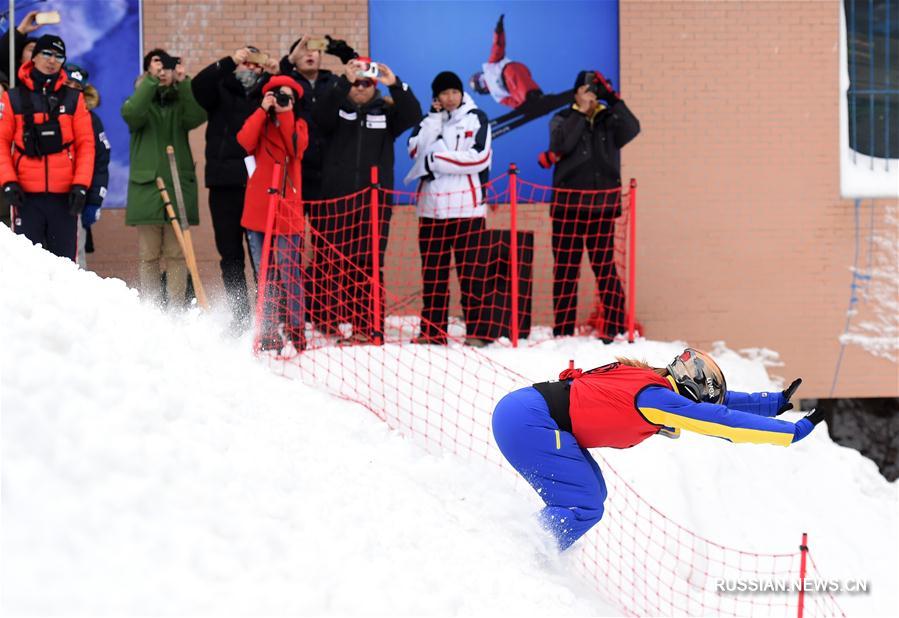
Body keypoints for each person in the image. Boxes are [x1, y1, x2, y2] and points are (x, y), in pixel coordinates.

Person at [492, 348, 822, 551]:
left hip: (525, 412)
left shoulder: (652, 381)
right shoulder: (655, 399)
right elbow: (720, 420)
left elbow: (712, 405)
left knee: (592, 495)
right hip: (531, 423)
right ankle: (522, 553)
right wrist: (791, 432)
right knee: (583, 506)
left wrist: (771, 403)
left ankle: (528, 546)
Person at [312, 57, 421, 344]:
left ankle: (367, 326)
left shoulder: (386, 114)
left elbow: (413, 113)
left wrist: (395, 84)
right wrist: (341, 81)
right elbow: (319, 115)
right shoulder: (336, 108)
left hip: (374, 204)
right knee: (330, 263)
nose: (360, 88)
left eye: (366, 83)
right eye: (356, 82)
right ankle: (326, 322)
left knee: (367, 264)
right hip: (335, 201)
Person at [538, 70, 640, 342]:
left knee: (605, 268)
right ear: (575, 95)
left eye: (595, 92)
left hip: (601, 209)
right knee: (566, 270)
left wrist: (612, 100)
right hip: (568, 208)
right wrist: (581, 114)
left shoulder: (609, 120)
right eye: (586, 91)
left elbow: (633, 129)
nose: (591, 97)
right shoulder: (562, 119)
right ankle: (563, 332)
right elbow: (562, 143)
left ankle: (615, 328)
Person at [405, 71, 493, 347]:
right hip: (432, 211)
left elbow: (479, 157)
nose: (450, 97)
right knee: (433, 275)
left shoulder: (476, 117)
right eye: (444, 93)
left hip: (467, 210)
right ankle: (432, 332)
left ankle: (478, 332)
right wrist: (433, 119)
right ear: (437, 97)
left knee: (472, 274)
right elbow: (414, 150)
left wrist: (437, 160)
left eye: (454, 92)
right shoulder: (428, 120)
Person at [191, 46, 272, 331]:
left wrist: (274, 70)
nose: (250, 70)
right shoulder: (220, 88)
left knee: (261, 255)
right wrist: (228, 61)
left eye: (256, 65)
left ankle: (266, 316)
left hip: (257, 185)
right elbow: (197, 85)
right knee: (230, 253)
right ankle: (240, 315)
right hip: (223, 183)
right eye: (245, 64)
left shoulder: (267, 94)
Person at [121, 49, 206, 308]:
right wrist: (150, 82)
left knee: (177, 254)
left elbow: (197, 116)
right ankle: (152, 309)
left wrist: (184, 82)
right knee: (149, 255)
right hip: (147, 188)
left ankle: (176, 309)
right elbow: (133, 115)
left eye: (167, 66)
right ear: (147, 70)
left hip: (177, 185)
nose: (163, 70)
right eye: (157, 65)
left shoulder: (179, 101)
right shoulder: (139, 99)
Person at [0, 34, 95, 260]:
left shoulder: (73, 99)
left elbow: (86, 145)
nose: (52, 60)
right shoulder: (13, 98)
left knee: (65, 268)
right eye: (47, 54)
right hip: (24, 197)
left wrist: (81, 185)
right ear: (34, 57)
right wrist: (8, 182)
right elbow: (2, 143)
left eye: (59, 56)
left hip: (65, 198)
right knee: (28, 266)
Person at [237, 75, 308, 353]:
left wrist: (287, 113)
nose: (281, 100)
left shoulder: (298, 124)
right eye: (277, 95)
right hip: (258, 210)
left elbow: (296, 148)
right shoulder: (260, 122)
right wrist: (262, 110)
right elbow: (244, 141)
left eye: (287, 97)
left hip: (287, 211)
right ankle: (268, 331)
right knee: (264, 274)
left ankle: (296, 330)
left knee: (291, 273)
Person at [65, 63, 110, 270]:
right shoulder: (44, 109)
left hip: (78, 198)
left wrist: (94, 201)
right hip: (45, 194)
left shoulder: (91, 119)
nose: (71, 89)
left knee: (76, 256)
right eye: (67, 83)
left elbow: (100, 163)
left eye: (76, 86)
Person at [469, 14, 543, 110]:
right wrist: (519, 107)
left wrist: (498, 32)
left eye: (479, 79)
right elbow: (509, 101)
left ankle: (533, 95)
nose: (483, 82)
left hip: (508, 71)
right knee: (514, 92)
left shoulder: (490, 67)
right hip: (510, 88)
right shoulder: (496, 95)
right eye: (480, 84)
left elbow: (497, 47)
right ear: (482, 90)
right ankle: (530, 102)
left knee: (513, 78)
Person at [0, 10, 44, 83]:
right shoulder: (10, 78)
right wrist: (22, 29)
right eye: (32, 49)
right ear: (20, 57)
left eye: (43, 53)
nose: (36, 54)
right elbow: (3, 53)